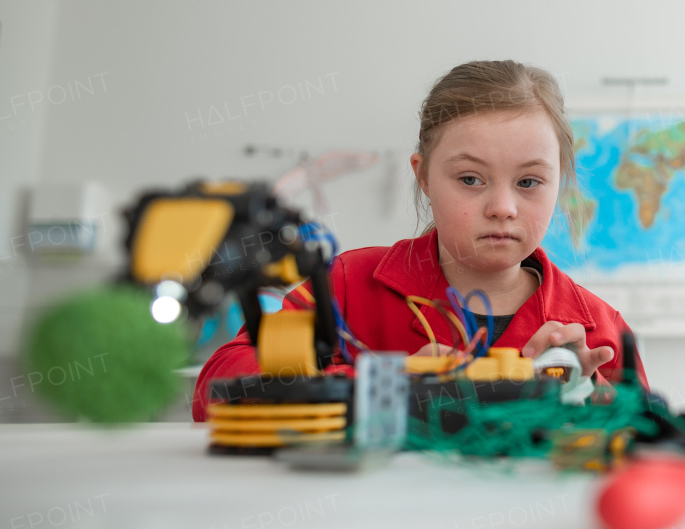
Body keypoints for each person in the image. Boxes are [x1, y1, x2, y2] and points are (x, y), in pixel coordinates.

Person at [194, 60, 647, 421]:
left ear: (560, 182)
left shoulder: (597, 330)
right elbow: (218, 390)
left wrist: (590, 396)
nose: (503, 207)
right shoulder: (348, 283)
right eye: (471, 178)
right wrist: (390, 382)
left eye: (529, 182)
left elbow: (652, 442)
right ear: (424, 176)